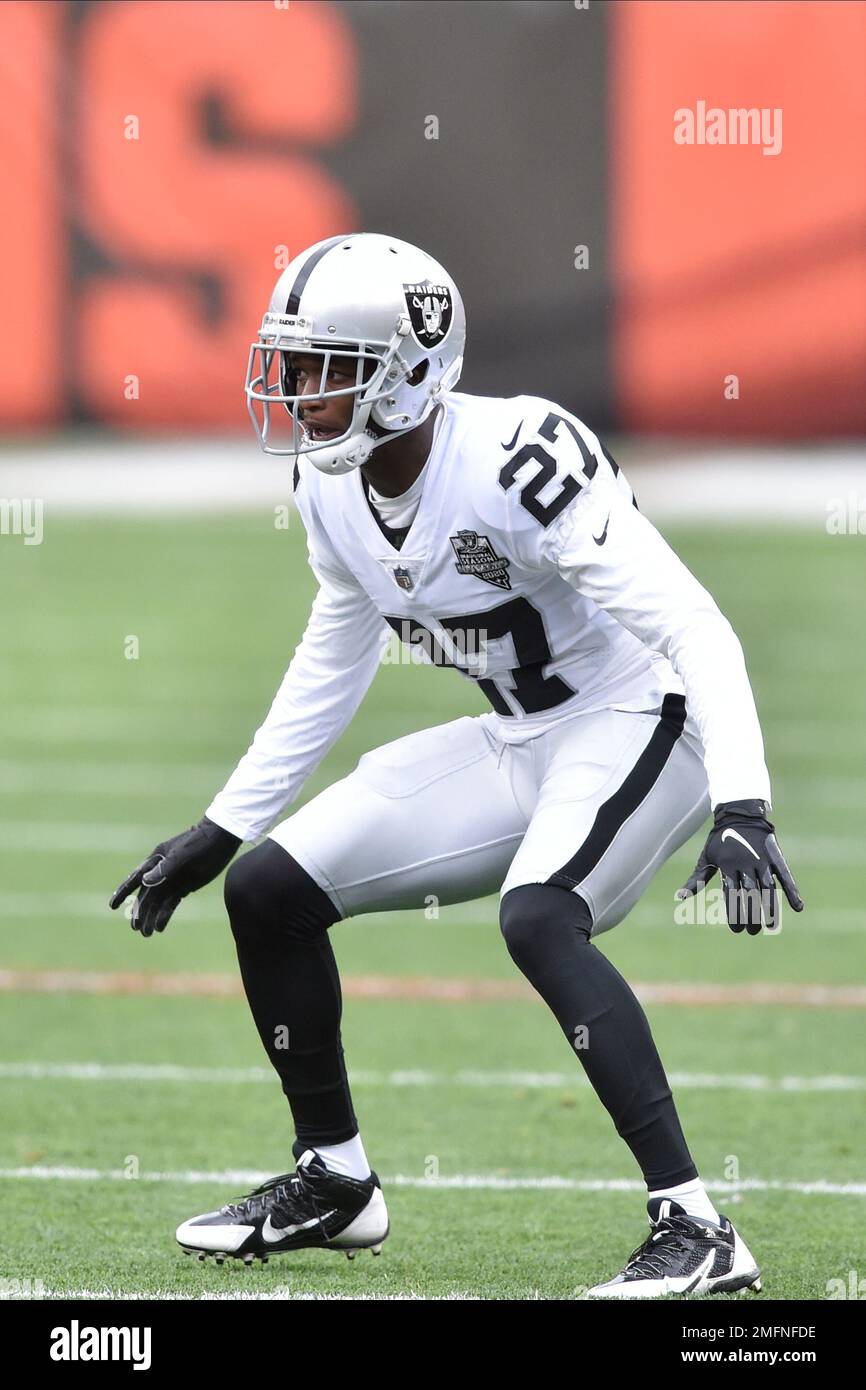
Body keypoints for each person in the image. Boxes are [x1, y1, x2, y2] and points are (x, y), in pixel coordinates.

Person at [110, 232, 803, 1296]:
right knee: (268, 890)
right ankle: (335, 1180)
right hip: (520, 735)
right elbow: (334, 645)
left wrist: (741, 801)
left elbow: (696, 630)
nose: (297, 392)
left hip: (639, 716)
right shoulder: (332, 486)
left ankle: (696, 1227)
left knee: (537, 915)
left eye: (325, 365)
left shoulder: (516, 458)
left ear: (409, 370)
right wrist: (225, 823)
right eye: (292, 366)